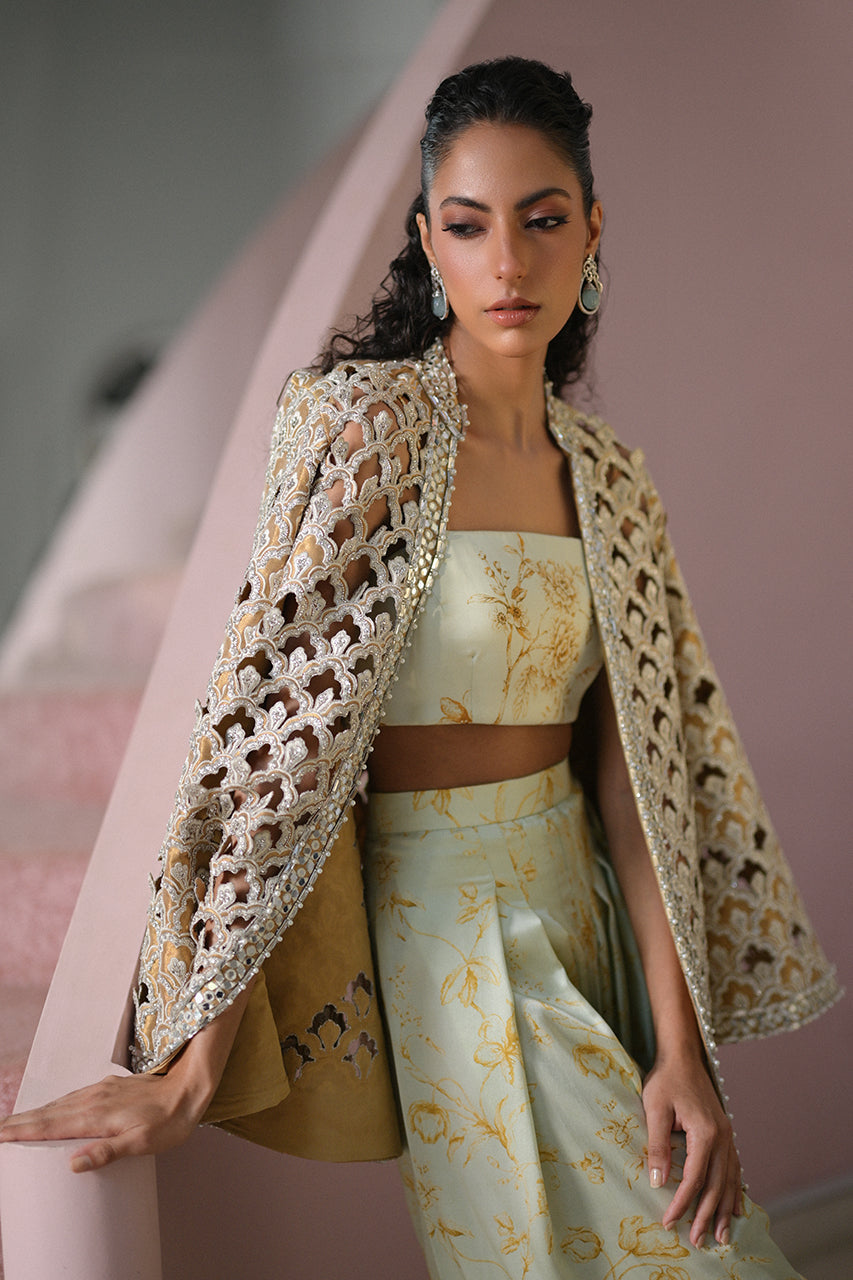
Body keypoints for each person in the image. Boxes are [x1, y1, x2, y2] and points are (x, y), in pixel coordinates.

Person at [0, 56, 839, 1279]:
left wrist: (683, 1052)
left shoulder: (610, 476)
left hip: (589, 907)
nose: (509, 262)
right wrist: (191, 1067)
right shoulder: (364, 427)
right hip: (446, 932)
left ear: (592, 230)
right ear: (428, 241)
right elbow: (276, 736)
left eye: (542, 220)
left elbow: (637, 787)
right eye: (469, 224)